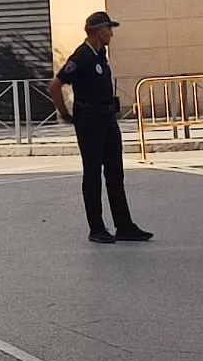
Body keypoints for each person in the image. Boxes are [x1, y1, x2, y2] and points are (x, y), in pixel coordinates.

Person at [49, 14, 152, 244]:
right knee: (93, 173)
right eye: (108, 29)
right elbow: (55, 85)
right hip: (90, 121)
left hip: (107, 119)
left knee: (115, 172)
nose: (112, 34)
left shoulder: (100, 54)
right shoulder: (81, 57)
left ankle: (124, 225)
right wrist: (65, 113)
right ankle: (96, 228)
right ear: (97, 31)